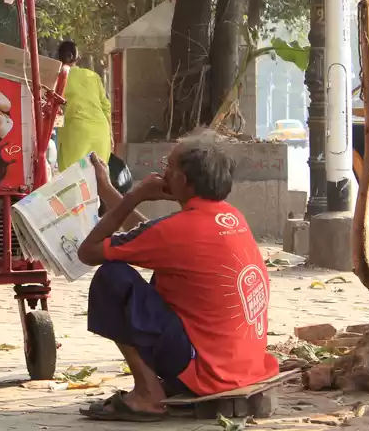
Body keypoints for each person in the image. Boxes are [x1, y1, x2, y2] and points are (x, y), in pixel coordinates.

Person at [76, 132, 278, 421]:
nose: (162, 173)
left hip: (207, 372)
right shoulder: (230, 217)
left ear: (183, 181)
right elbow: (152, 236)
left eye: (168, 167)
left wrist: (135, 196)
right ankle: (158, 385)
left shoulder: (177, 231)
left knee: (112, 277)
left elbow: (89, 251)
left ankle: (147, 395)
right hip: (239, 366)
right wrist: (109, 191)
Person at [56, 41, 113, 170]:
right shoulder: (92, 76)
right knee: (99, 181)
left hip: (76, 134)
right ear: (78, 58)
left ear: (58, 58)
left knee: (73, 182)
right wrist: (110, 135)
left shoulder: (58, 78)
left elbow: (56, 111)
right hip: (101, 132)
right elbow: (106, 107)